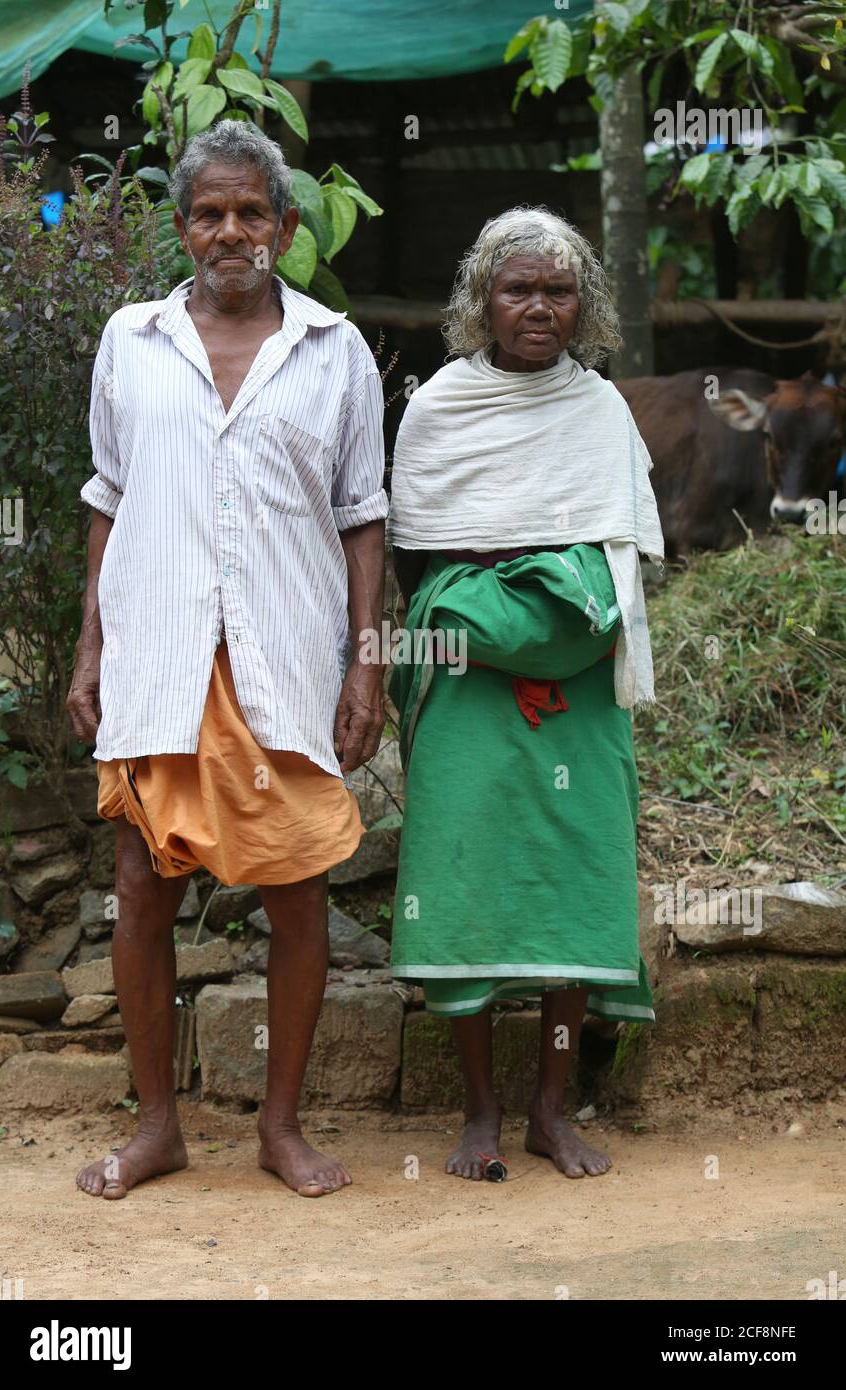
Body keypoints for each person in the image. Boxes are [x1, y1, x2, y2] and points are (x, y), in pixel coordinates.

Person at [67, 121, 387, 1199]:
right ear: (182, 224)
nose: (231, 231)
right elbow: (106, 499)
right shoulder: (132, 339)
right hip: (157, 651)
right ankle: (156, 1125)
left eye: (252, 211)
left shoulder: (334, 350)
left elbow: (363, 517)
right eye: (210, 212)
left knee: (296, 888)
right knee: (141, 883)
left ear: (286, 227)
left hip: (284, 656)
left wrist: (366, 663)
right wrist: (88, 647)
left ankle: (280, 1127)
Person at [388, 206, 664, 1181]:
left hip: (579, 687)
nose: (537, 306)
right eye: (517, 289)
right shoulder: (440, 409)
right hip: (468, 685)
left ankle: (549, 1109)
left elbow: (625, 559)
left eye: (556, 289)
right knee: (461, 880)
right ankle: (478, 1113)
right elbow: (417, 557)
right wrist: (503, 618)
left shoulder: (599, 411)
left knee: (574, 888)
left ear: (580, 301)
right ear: (481, 301)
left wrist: (552, 631)